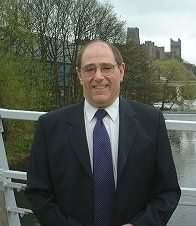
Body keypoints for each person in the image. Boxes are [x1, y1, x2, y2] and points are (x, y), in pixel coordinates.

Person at [25, 40, 181, 226]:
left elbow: (168, 191)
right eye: (90, 69)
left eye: (106, 67)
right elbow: (38, 192)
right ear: (79, 75)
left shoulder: (151, 121)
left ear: (121, 71)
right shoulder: (50, 126)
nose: (98, 76)